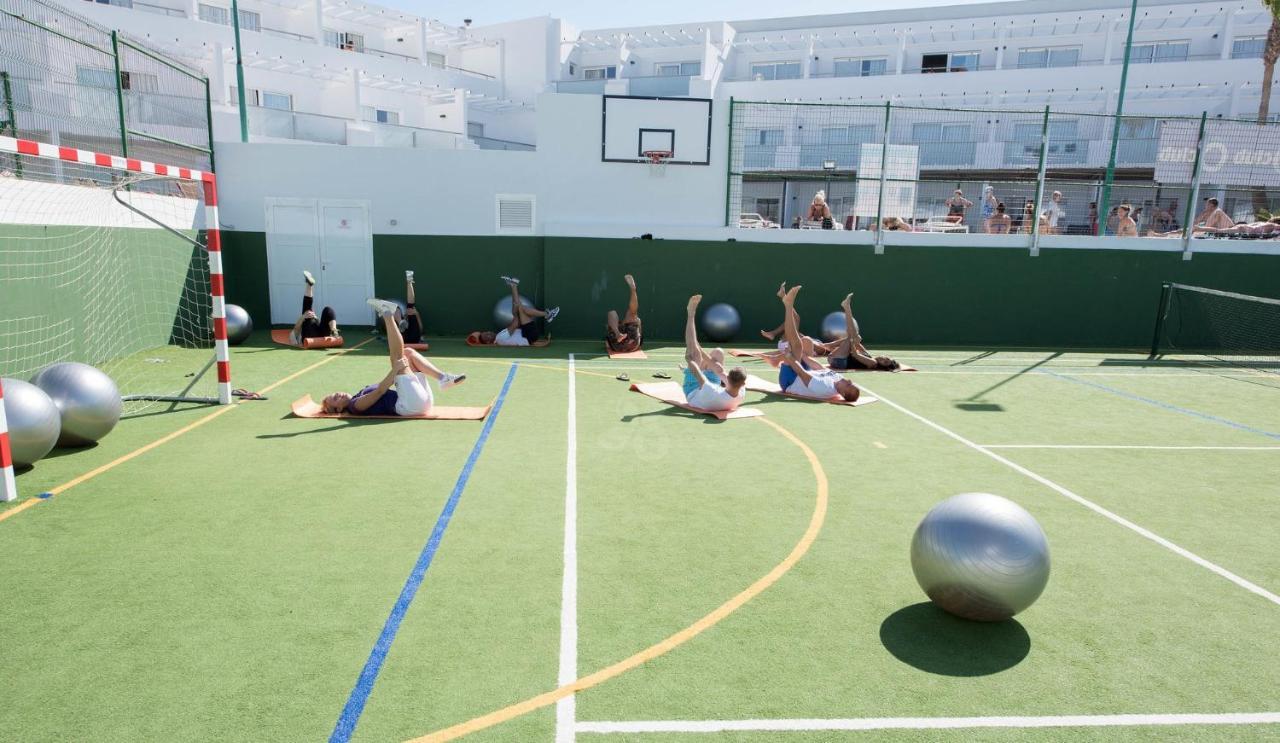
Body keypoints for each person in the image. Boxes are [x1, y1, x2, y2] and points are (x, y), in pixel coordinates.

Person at [320, 300, 464, 415]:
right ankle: (387, 313)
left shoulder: (358, 395)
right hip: (410, 406)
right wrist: (395, 370)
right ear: (338, 409)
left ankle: (443, 378)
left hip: (419, 401)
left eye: (334, 394)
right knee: (396, 358)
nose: (337, 394)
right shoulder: (355, 406)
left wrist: (396, 371)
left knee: (408, 352)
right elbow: (380, 390)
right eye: (334, 398)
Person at [777, 286, 860, 402]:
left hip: (791, 380)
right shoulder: (838, 379)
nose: (850, 381)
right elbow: (819, 367)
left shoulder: (824, 388)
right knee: (806, 341)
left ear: (843, 392)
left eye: (849, 385)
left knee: (796, 345)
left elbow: (801, 373)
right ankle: (788, 303)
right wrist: (803, 357)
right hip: (805, 373)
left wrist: (790, 357)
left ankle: (788, 305)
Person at [681, 294, 747, 411]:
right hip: (711, 385)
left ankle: (690, 313)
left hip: (694, 389)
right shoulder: (741, 393)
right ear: (743, 384)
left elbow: (697, 372)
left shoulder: (711, 391)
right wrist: (700, 349)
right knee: (718, 352)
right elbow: (718, 369)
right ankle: (696, 347)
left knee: (694, 354)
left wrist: (692, 353)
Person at [826, 293, 900, 371]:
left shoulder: (873, 363)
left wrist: (852, 339)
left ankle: (847, 307)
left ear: (881, 366)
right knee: (856, 338)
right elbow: (857, 344)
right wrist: (855, 339)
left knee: (853, 337)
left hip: (839, 361)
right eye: (886, 358)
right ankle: (847, 307)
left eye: (884, 362)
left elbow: (855, 354)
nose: (883, 358)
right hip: (837, 357)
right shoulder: (869, 356)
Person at [478, 276, 559, 346]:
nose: (489, 332)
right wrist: (517, 313)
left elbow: (515, 323)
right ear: (488, 342)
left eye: (486, 332)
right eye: (487, 335)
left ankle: (514, 286)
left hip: (527, 333)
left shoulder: (499, 337)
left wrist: (516, 312)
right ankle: (547, 314)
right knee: (520, 308)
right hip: (529, 335)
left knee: (518, 309)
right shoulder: (499, 338)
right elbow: (515, 324)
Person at [290, 270, 340, 345]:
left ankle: (334, 330)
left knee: (327, 309)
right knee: (307, 312)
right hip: (309, 337)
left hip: (322, 334)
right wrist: (303, 317)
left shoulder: (311, 321)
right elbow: (296, 329)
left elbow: (318, 326)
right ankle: (309, 284)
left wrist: (316, 318)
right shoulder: (295, 334)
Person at [605, 273, 642, 353]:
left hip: (617, 345)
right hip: (633, 344)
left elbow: (607, 343)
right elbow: (640, 335)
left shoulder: (615, 325)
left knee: (612, 313)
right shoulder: (636, 321)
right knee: (633, 315)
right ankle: (633, 290)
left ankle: (618, 334)